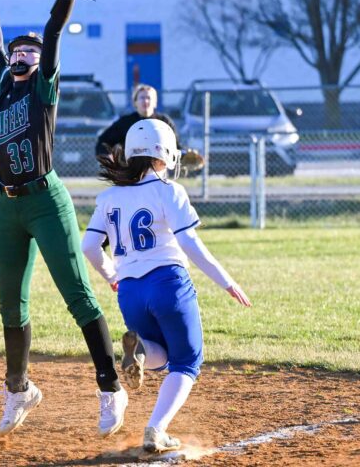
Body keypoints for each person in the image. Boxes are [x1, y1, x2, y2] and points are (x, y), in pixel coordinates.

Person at [0, 0, 127, 437]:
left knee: (77, 295)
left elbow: (53, 29)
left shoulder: (42, 86)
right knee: (10, 304)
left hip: (46, 200)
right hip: (9, 208)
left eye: (31, 51)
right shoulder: (4, 84)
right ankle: (19, 389)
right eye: (18, 51)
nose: (22, 55)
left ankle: (111, 387)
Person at [81, 119, 252, 453]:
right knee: (187, 361)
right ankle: (156, 430)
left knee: (160, 355)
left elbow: (89, 246)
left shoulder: (110, 196)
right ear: (166, 155)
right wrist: (226, 281)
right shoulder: (169, 190)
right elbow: (189, 243)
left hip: (129, 291)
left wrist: (112, 277)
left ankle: (140, 350)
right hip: (168, 283)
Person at [95, 83, 179, 158]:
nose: (145, 101)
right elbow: (103, 142)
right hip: (131, 167)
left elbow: (176, 147)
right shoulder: (125, 122)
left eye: (149, 98)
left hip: (159, 167)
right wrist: (108, 156)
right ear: (135, 102)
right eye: (142, 98)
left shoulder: (164, 122)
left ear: (155, 102)